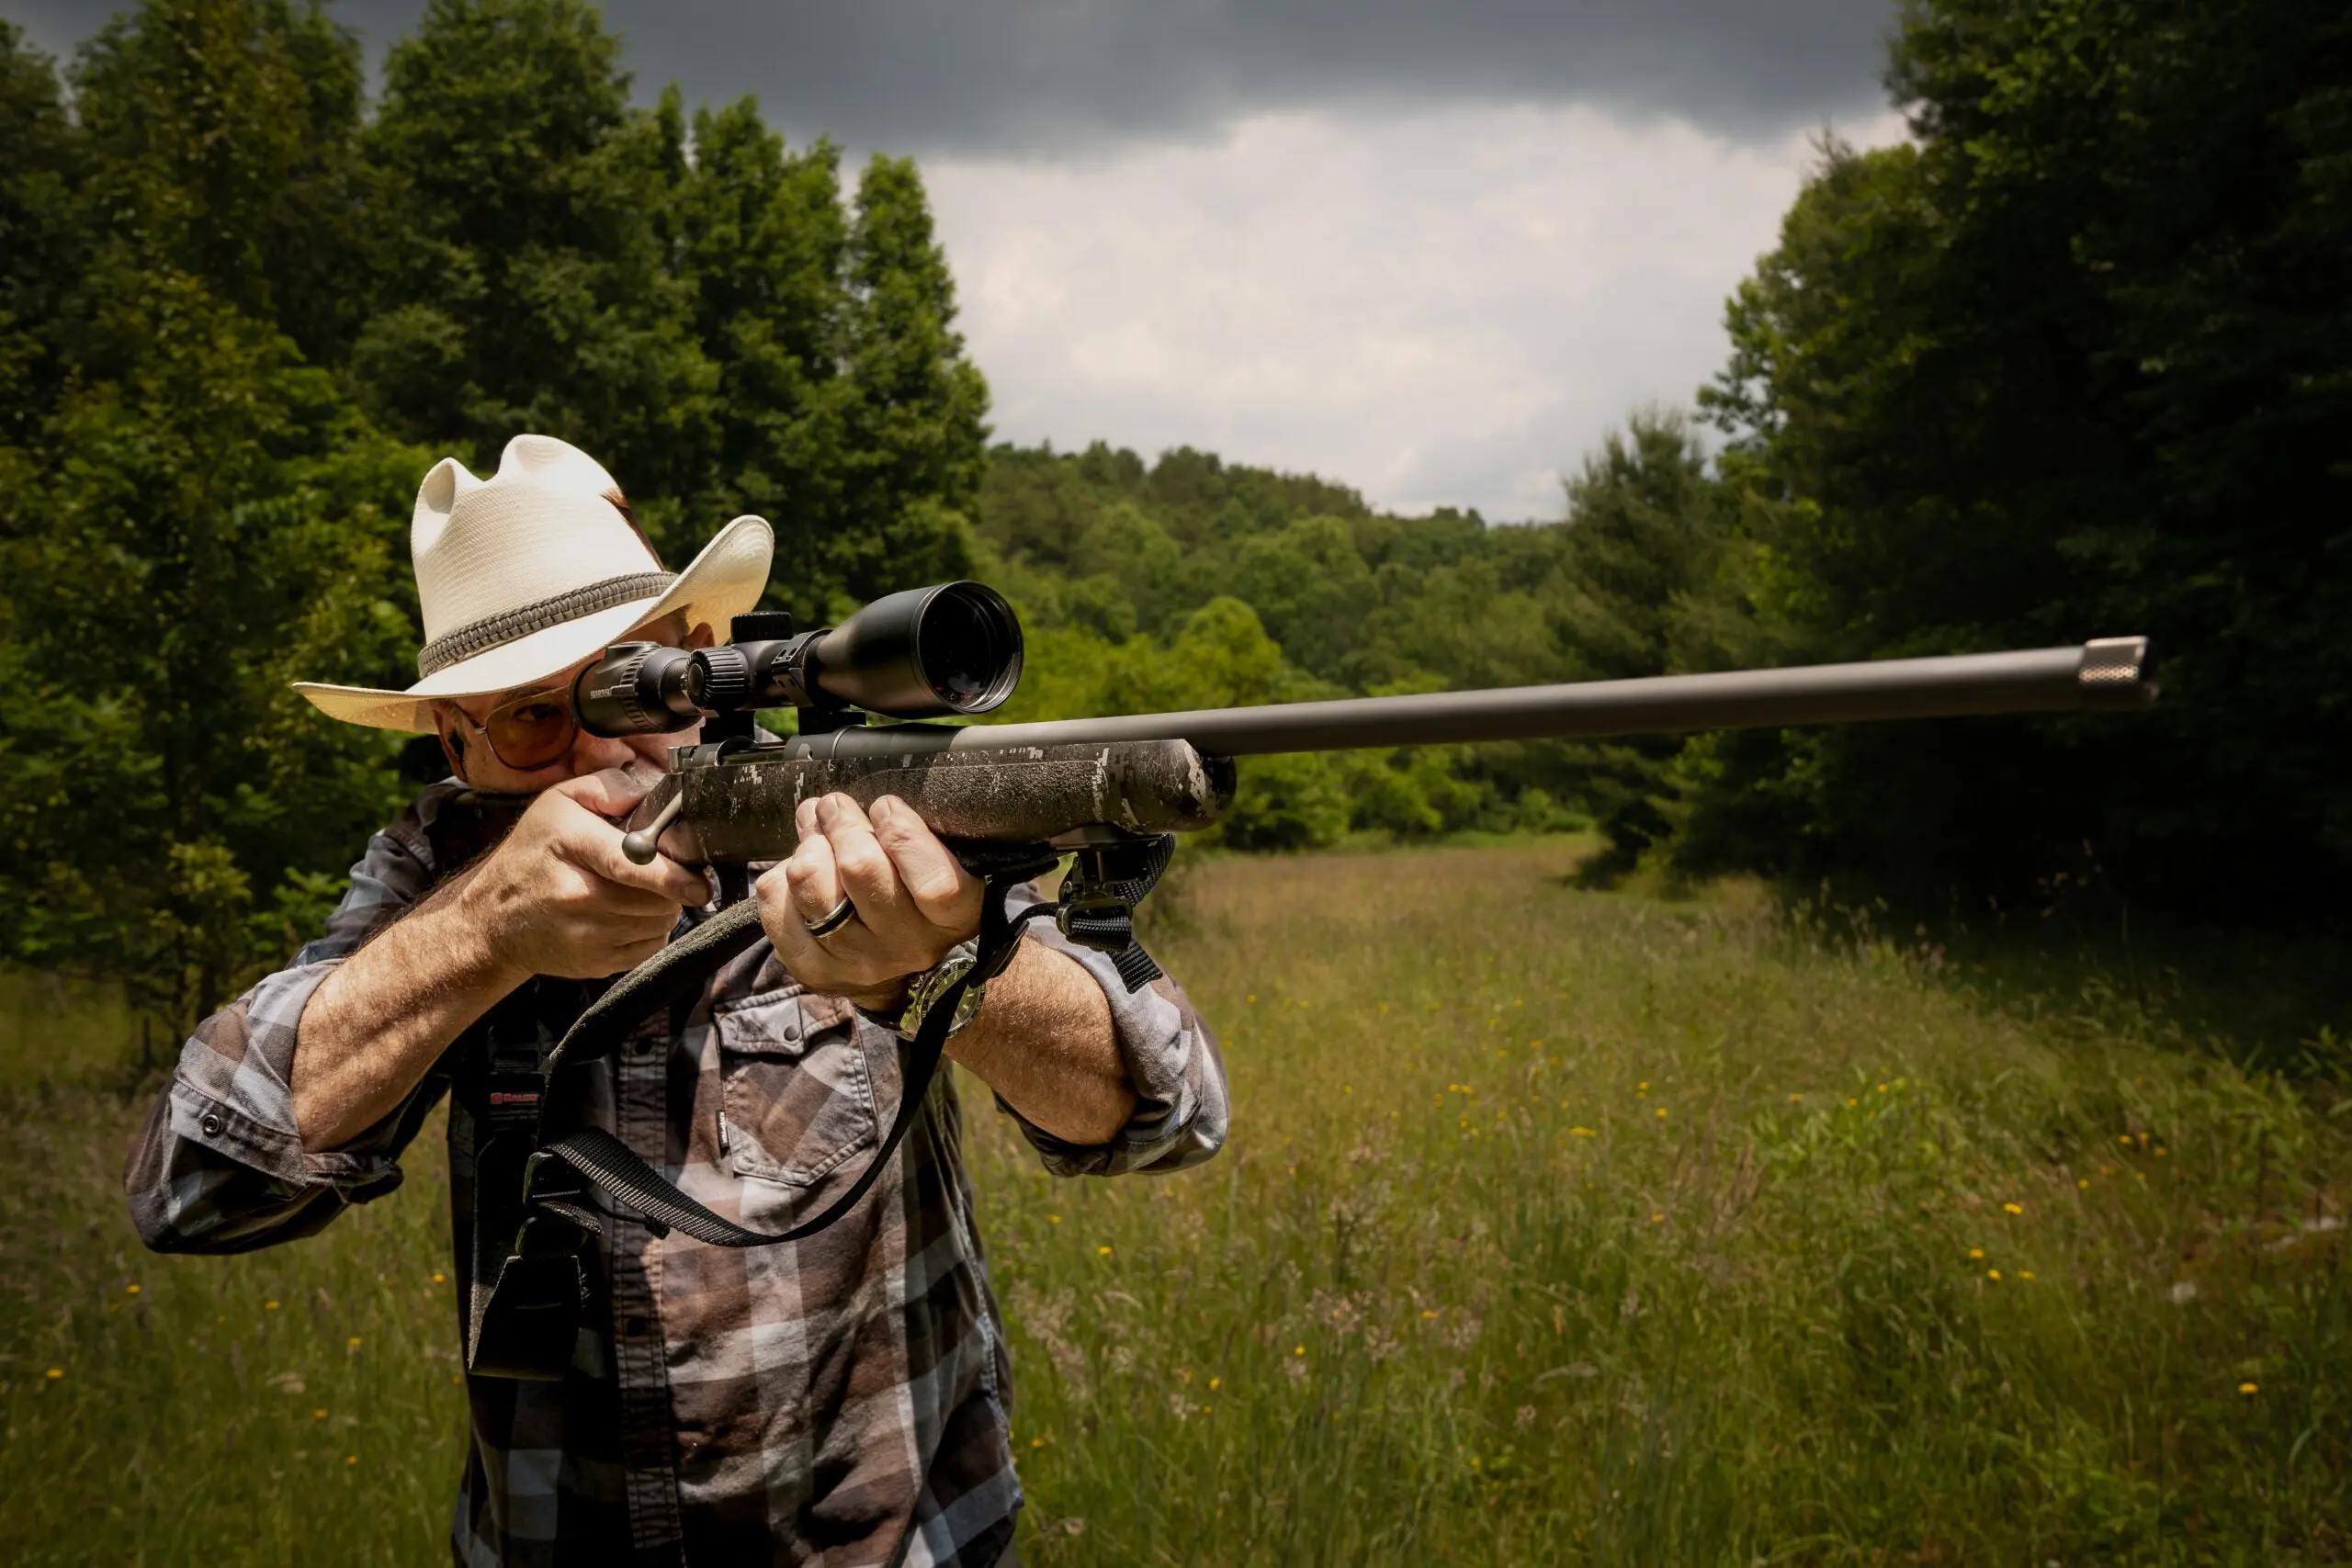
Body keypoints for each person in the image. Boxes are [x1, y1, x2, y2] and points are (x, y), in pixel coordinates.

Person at [125, 434, 1228, 1567]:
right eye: (533, 718)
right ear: (457, 745)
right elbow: (194, 1188)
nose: (603, 749)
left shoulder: (833, 822)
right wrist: (479, 936)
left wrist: (941, 975)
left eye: (636, 682)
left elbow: (1171, 1107)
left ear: (702, 658)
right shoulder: (441, 872)